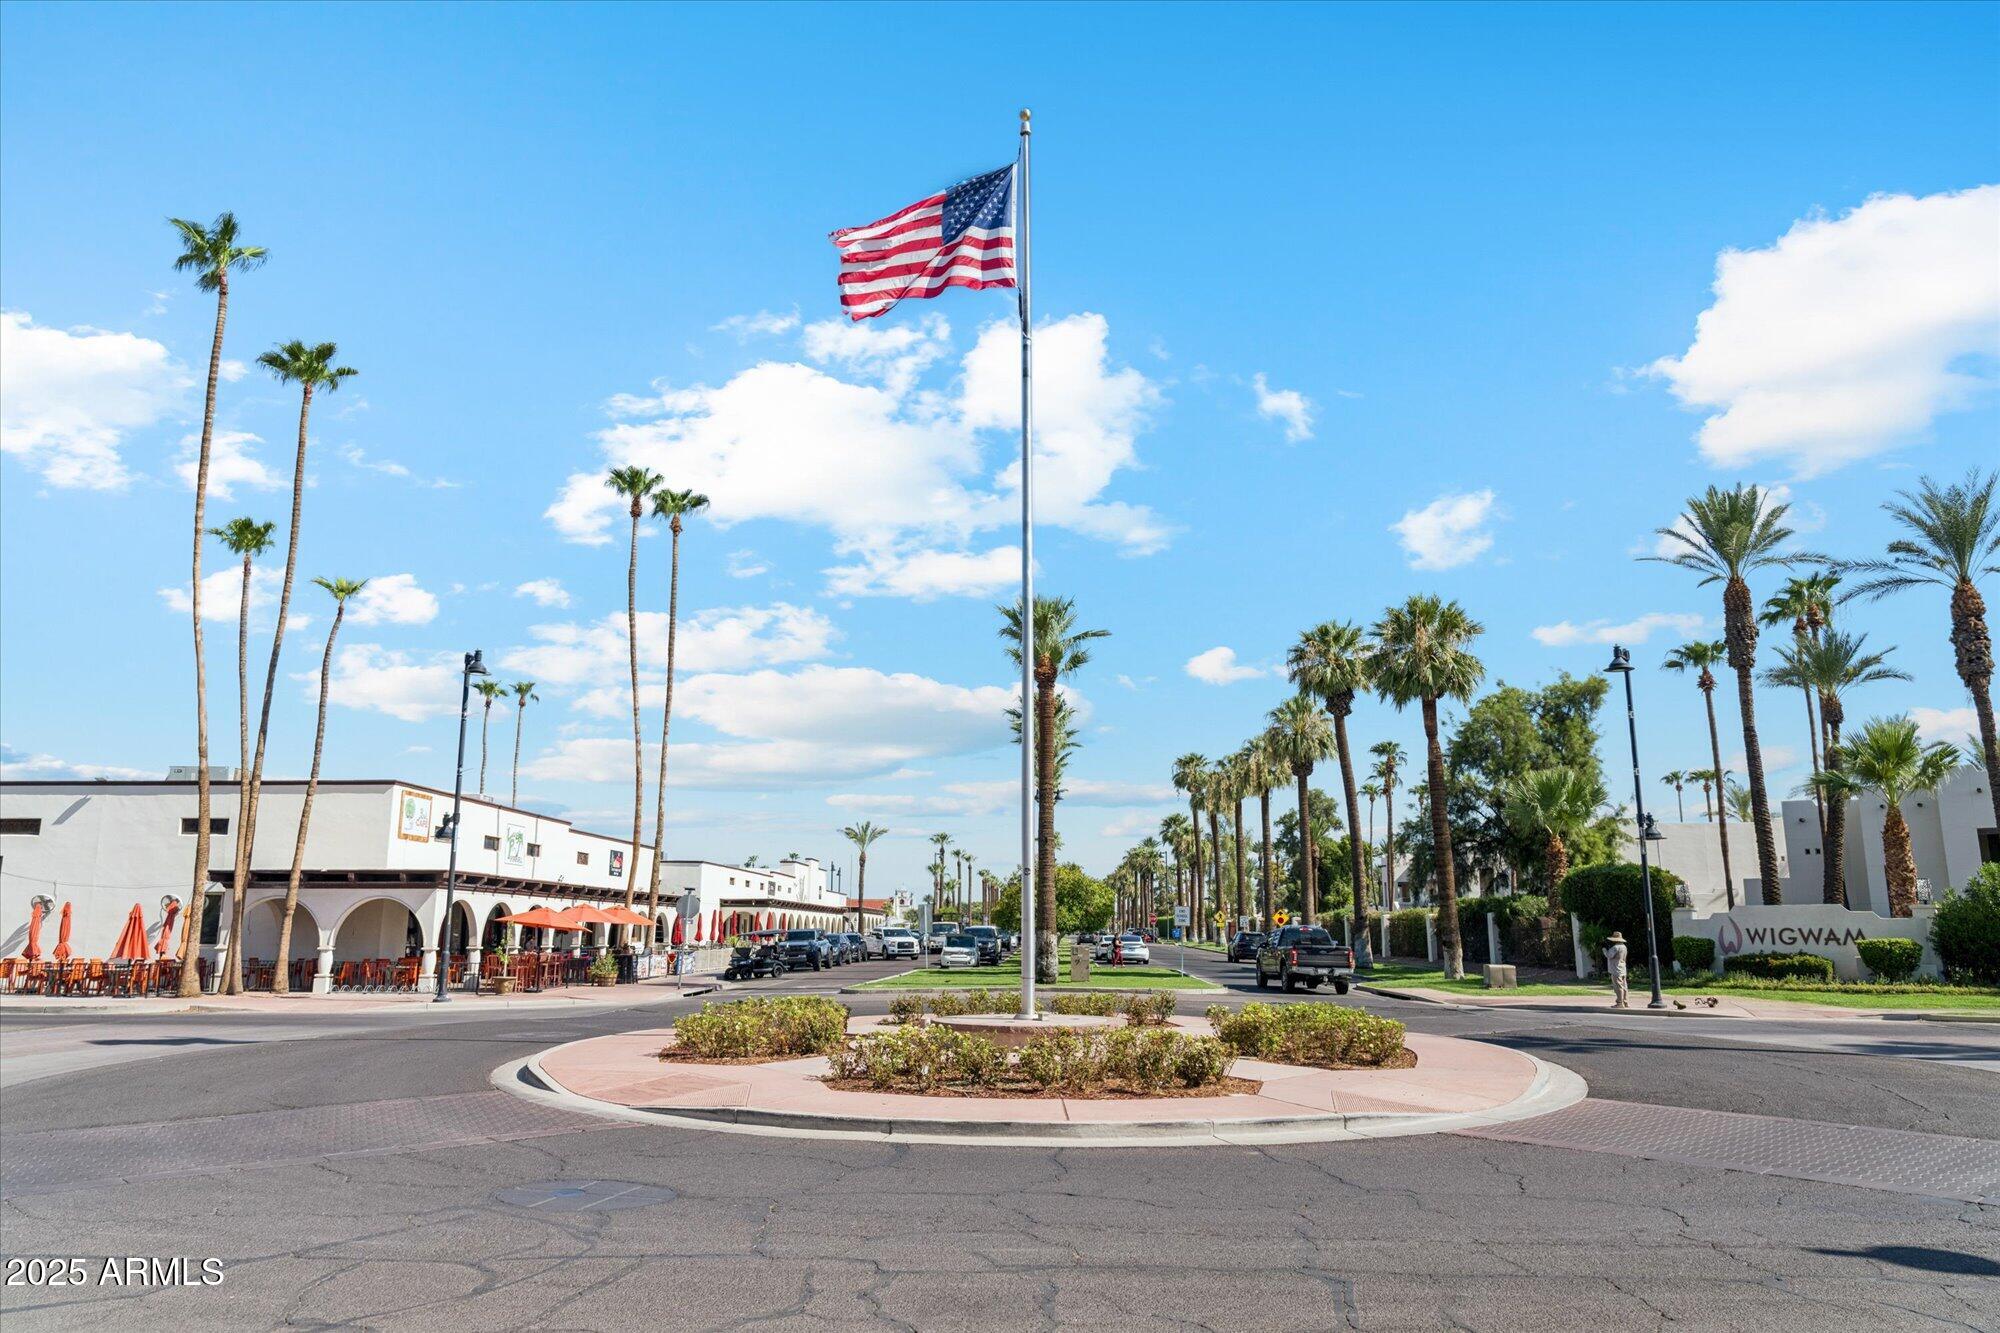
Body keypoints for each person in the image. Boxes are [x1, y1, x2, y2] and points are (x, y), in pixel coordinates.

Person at [1605, 931, 1630, 1008]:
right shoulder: (1624, 947)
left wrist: (1604, 950)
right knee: (1624, 986)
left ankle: (1619, 1003)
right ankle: (1625, 1002)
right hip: (1622, 968)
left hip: (1616, 969)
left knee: (1618, 986)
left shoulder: (1615, 947)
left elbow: (1609, 955)